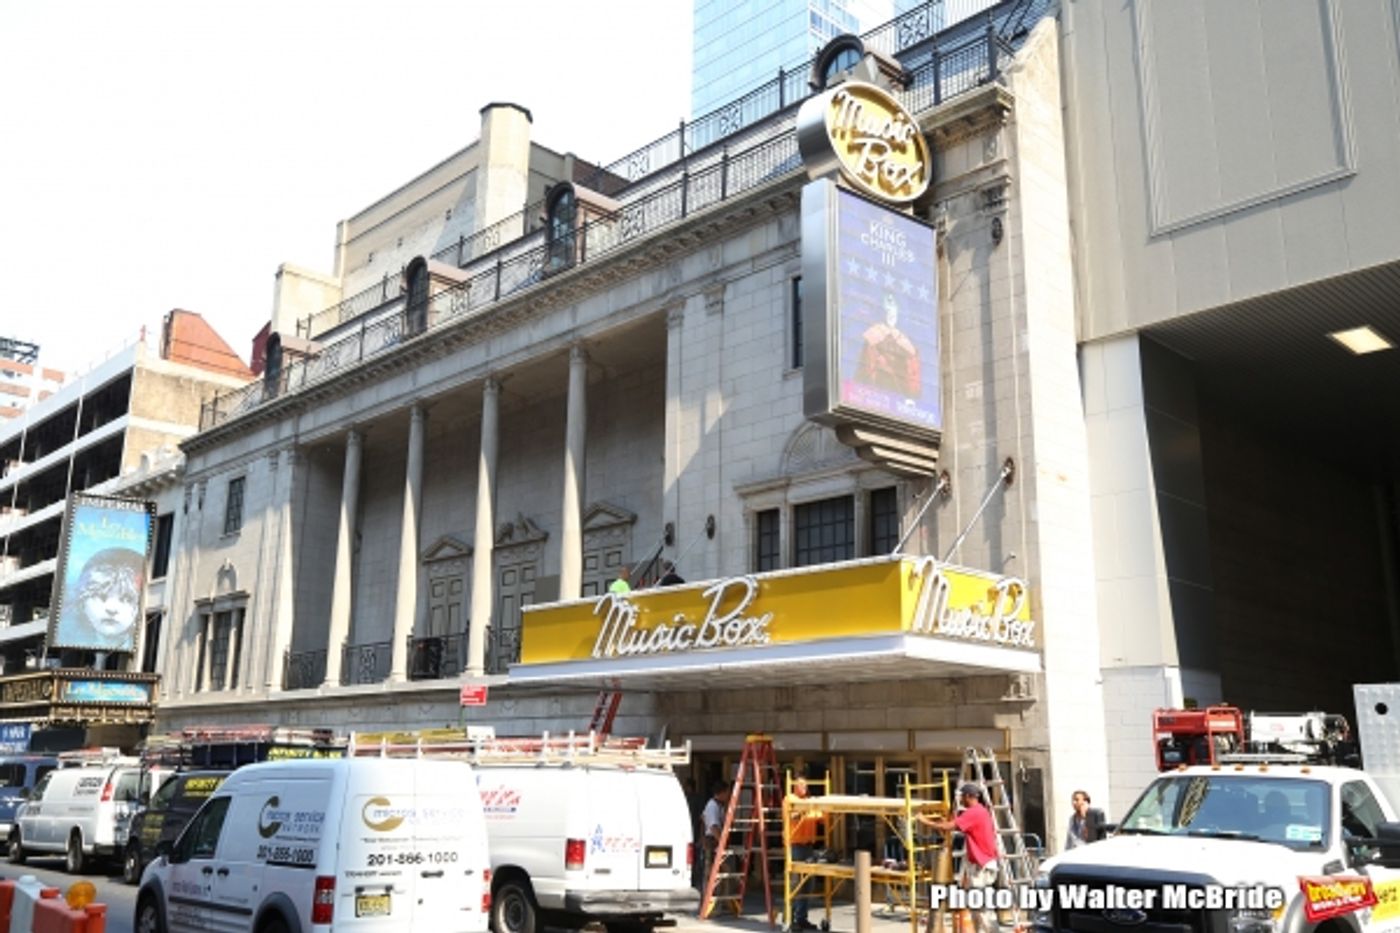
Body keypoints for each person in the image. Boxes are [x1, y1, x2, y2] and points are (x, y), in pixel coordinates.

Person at [919, 782, 999, 933]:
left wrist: (925, 821)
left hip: (982, 865)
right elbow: (952, 825)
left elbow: (948, 827)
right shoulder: (979, 811)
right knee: (976, 909)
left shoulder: (974, 812)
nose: (961, 800)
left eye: (962, 797)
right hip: (981, 863)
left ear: (969, 796)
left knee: (982, 909)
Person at [56, 547, 144, 651]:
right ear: (83, 602)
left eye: (126, 599)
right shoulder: (65, 634)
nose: (112, 609)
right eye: (102, 597)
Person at [854, 292, 921, 397]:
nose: (890, 311)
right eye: (886, 307)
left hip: (901, 402)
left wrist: (911, 398)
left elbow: (914, 378)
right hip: (876, 397)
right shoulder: (872, 335)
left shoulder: (908, 344)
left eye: (893, 305)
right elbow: (866, 370)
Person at [787, 777, 825, 931]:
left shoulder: (810, 803)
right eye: (800, 785)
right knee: (796, 884)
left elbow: (821, 819)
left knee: (808, 884)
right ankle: (791, 919)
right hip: (796, 846)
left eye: (805, 785)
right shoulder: (790, 799)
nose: (804, 787)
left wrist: (821, 806)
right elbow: (793, 815)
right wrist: (809, 806)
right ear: (794, 786)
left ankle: (801, 918)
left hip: (809, 846)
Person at [701, 784, 732, 896]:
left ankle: (719, 899)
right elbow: (713, 827)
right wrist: (722, 843)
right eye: (727, 792)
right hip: (712, 841)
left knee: (721, 871)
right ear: (721, 793)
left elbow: (703, 817)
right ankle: (711, 900)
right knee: (712, 872)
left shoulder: (720, 806)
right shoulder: (712, 806)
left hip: (715, 840)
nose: (728, 795)